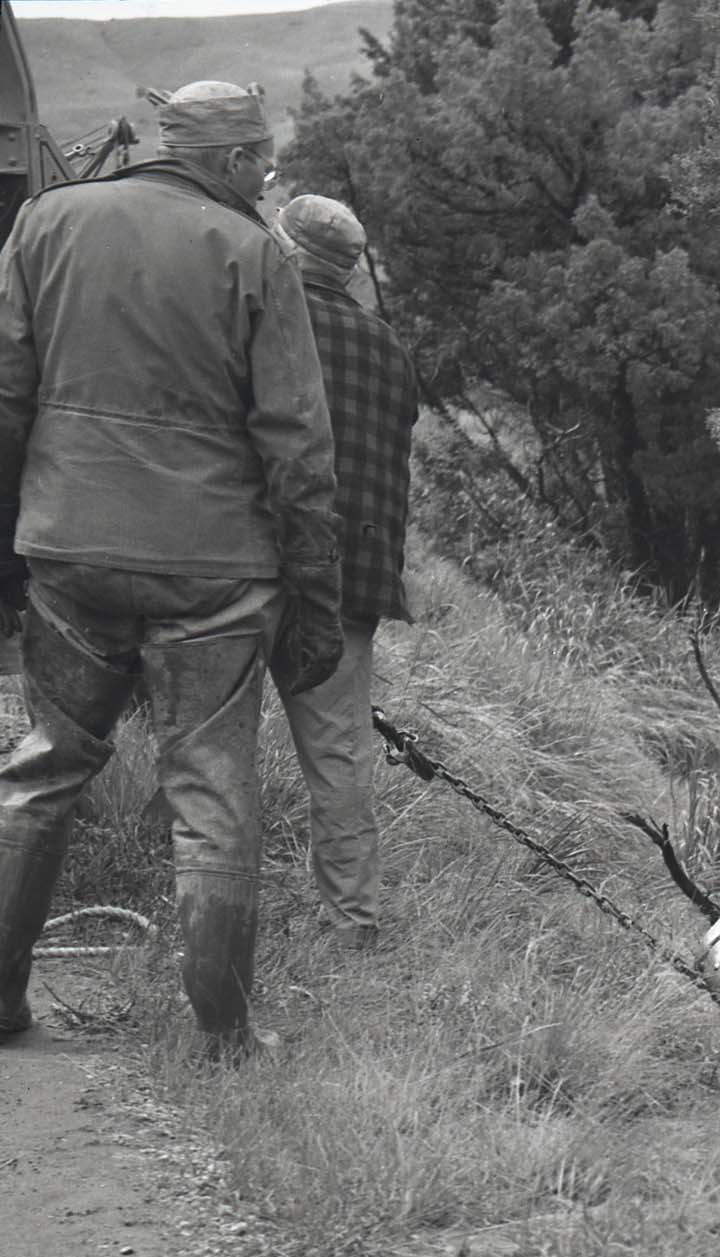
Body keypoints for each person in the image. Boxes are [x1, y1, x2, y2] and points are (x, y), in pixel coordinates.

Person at [0, 80, 342, 1054]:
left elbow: (4, 397)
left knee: (40, 771)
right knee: (214, 796)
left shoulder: (43, 222)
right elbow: (299, 454)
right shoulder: (255, 257)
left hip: (68, 547)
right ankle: (223, 1037)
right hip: (215, 573)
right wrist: (315, 605)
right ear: (227, 161)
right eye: (261, 160)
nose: (269, 178)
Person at [268, 194, 419, 936]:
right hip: (350, 575)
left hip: (249, 558)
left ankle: (207, 912)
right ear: (349, 270)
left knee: (209, 741)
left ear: (287, 250)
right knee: (339, 756)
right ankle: (354, 919)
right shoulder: (388, 345)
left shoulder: (262, 315)